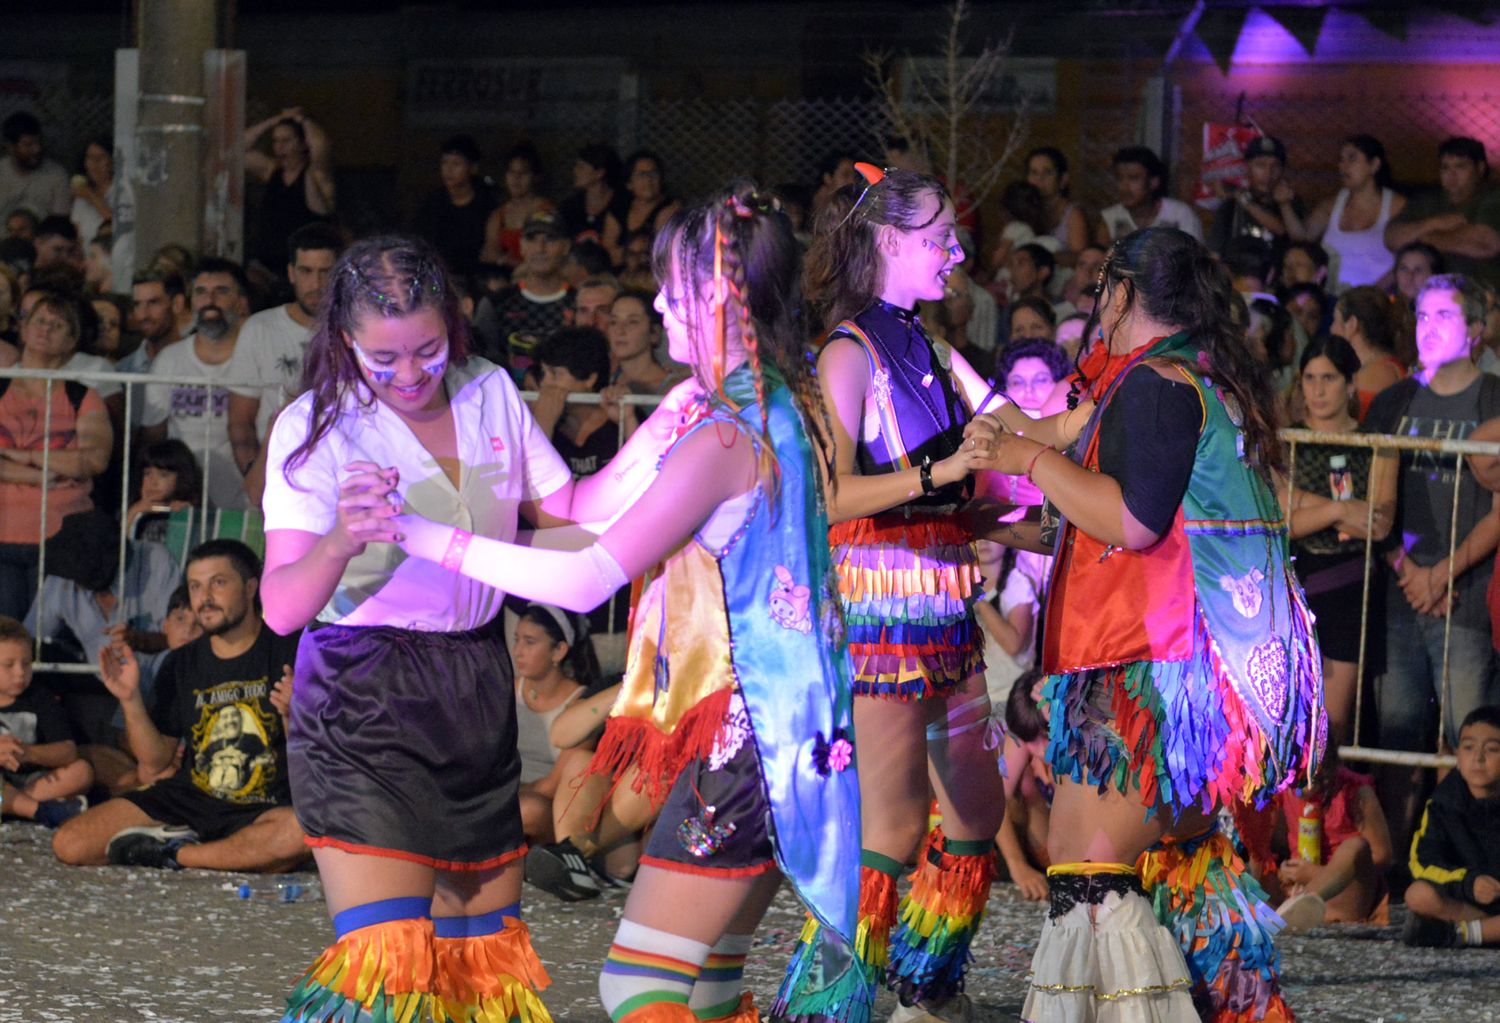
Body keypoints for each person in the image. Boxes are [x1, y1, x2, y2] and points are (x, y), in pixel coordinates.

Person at [387, 187, 861, 1023]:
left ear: (720, 293)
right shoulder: (750, 404)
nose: (660, 304)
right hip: (784, 730)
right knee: (706, 984)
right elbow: (584, 501)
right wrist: (500, 404)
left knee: (636, 986)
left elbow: (588, 576)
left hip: (745, 737)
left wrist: (418, 535)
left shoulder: (723, 434)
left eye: (673, 286)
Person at [259, 232, 686, 1022]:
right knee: (390, 966)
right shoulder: (312, 426)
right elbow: (281, 605)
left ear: (452, 324)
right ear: (343, 340)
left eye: (426, 349)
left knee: (479, 969)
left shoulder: (488, 387)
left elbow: (572, 515)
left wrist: (669, 433)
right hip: (363, 693)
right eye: (383, 359)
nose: (411, 375)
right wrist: (340, 538)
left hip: (472, 683)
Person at [977, 226, 1320, 1020]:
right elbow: (1080, 472)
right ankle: (1246, 1006)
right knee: (1179, 859)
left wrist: (1022, 460)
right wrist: (995, 482)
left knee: (1088, 869)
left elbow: (1130, 521)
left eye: (1099, 287)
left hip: (1150, 672)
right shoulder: (1180, 378)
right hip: (1184, 668)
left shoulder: (1158, 384)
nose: (1092, 303)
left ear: (1123, 292)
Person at [779, 163, 1004, 1023]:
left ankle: (927, 979)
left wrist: (1000, 516)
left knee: (977, 805)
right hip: (880, 613)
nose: (956, 251)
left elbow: (999, 445)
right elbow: (834, 495)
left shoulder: (932, 345)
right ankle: (828, 1004)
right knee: (894, 824)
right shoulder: (848, 350)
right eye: (940, 236)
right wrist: (942, 469)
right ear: (885, 242)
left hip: (944, 604)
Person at [51, 539, 307, 873]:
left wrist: (295, 715)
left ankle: (175, 854)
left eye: (218, 582)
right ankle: (220, 853)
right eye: (196, 586)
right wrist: (129, 698)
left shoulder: (292, 649)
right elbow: (155, 761)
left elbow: (319, 761)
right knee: (70, 844)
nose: (205, 598)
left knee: (301, 833)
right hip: (193, 799)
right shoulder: (181, 662)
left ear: (249, 587)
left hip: (265, 805)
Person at [1366, 274, 1500, 757]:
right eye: (1423, 315)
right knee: (1396, 741)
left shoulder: (1495, 397)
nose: (1429, 326)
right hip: (1402, 594)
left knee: (1467, 747)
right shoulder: (1392, 401)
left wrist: (1441, 575)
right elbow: (1375, 503)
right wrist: (1410, 574)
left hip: (1467, 593)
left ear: (1475, 329)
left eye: (1445, 315)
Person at [1284, 336, 1390, 745]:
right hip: (1296, 579)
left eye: (1329, 378)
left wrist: (1306, 511)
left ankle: (1325, 806)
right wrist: (1339, 511)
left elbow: (1378, 523)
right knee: (1289, 713)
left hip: (1349, 584)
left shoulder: (1377, 444)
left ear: (1350, 385)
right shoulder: (1285, 440)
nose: (1318, 389)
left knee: (1333, 721)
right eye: (1309, 378)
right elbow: (1280, 515)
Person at [0, 294, 113, 621]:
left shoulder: (82, 396)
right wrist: (38, 474)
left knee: (44, 638)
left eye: (57, 324)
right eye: (39, 321)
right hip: (4, 534)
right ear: (22, 329)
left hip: (60, 538)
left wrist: (16, 455)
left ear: (72, 341)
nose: (45, 330)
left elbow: (92, 459)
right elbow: (73, 460)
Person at [225, 222, 343, 503]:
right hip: (276, 471)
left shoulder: (358, 328)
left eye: (325, 272)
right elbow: (240, 421)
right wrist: (255, 472)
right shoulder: (260, 329)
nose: (316, 284)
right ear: (291, 273)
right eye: (306, 271)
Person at [139, 258, 251, 510]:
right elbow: (153, 435)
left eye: (221, 291)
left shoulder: (259, 358)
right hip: (181, 500)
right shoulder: (169, 359)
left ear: (241, 302)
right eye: (201, 292)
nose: (210, 300)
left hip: (245, 499)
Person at [1261, 744, 1392, 932]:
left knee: (1355, 847)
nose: (1304, 787)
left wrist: (1315, 874)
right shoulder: (1284, 790)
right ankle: (1279, 910)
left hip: (1343, 894)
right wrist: (1284, 870)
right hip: (1295, 886)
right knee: (1253, 845)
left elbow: (1382, 855)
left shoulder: (1355, 791)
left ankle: (1296, 908)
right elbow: (1274, 842)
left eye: (1310, 776)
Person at [1402, 705, 1500, 948]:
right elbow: (1421, 861)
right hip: (1469, 899)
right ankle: (1486, 930)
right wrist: (1469, 883)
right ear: (1457, 755)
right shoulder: (1443, 801)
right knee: (1418, 895)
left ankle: (1459, 934)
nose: (1478, 758)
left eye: (1492, 749)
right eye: (1468, 748)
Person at [0, 616, 93, 828]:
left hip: (31, 783)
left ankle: (13, 805)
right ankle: (39, 811)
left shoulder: (39, 697)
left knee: (81, 771)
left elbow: (68, 751)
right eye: (8, 665)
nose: (20, 673)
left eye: (26, 663)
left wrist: (28, 753)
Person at [1283, 135, 1405, 292]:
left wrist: (1372, 293)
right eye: (1341, 160)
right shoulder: (1331, 205)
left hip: (1377, 301)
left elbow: (1406, 259)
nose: (1343, 166)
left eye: (1352, 159)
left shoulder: (1396, 206)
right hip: (1333, 301)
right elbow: (1303, 238)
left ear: (1374, 165)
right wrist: (1284, 204)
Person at [1386, 137, 1500, 290]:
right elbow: (1392, 238)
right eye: (1445, 168)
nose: (1451, 175)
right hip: (1433, 296)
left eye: (1460, 167)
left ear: (1480, 168)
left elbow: (1486, 243)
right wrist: (1434, 223)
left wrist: (1423, 238)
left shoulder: (1492, 196)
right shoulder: (1429, 200)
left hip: (1483, 296)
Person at [475, 211, 573, 381]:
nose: (540, 248)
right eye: (532, 239)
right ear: (521, 246)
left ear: (565, 246)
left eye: (550, 239)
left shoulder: (582, 303)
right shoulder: (496, 303)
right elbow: (481, 362)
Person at [244, 108, 335, 279]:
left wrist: (302, 119)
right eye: (276, 141)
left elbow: (321, 147)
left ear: (302, 144)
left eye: (286, 141)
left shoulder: (315, 175)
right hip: (268, 267)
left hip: (305, 267)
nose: (279, 147)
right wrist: (275, 120)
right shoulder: (272, 171)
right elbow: (238, 149)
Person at [531, 326, 617, 478]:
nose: (544, 383)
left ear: (590, 378)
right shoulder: (539, 421)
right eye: (544, 373)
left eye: (555, 374)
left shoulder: (621, 419)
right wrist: (543, 426)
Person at [996, 671, 1053, 903]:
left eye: (1047, 735)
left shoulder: (1081, 737)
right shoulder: (1022, 736)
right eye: (1032, 739)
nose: (1040, 749)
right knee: (1023, 781)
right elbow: (997, 801)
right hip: (1046, 848)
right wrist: (1017, 865)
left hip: (1086, 848)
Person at [1208, 135, 1298, 255]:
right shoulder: (1231, 207)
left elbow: (1287, 234)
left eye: (1275, 166)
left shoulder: (1291, 203)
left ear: (1282, 170)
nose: (1268, 173)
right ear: (1247, 168)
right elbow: (1214, 254)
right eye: (1260, 165)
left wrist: (1245, 201)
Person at [1097, 146, 1204, 244]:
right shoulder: (1111, 217)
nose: (1124, 187)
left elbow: (1196, 260)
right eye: (1119, 178)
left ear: (1154, 182)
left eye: (1134, 178)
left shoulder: (1179, 215)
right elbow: (1101, 260)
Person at [1333, 285, 1410, 419]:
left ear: (1351, 325)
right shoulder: (1391, 366)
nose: (1331, 329)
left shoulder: (1363, 379)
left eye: (1335, 321)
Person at [480, 143, 556, 269]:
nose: (516, 178)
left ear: (535, 177)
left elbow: (547, 255)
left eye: (523, 173)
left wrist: (509, 262)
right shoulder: (499, 214)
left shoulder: (545, 210)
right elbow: (489, 252)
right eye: (512, 172)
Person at [602, 152, 682, 266]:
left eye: (654, 173)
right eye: (641, 175)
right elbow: (608, 251)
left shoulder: (670, 209)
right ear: (629, 183)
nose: (649, 180)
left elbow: (660, 252)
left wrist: (625, 254)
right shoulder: (619, 209)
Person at [125, 438, 203, 542]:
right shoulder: (132, 510)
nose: (153, 482)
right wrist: (134, 512)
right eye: (147, 473)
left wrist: (180, 516)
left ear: (182, 478)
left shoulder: (188, 512)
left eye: (163, 475)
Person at [0, 112, 71, 221]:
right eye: (28, 145)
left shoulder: (56, 175)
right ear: (10, 147)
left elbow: (60, 222)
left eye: (38, 142)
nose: (36, 149)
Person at [1025, 146, 1088, 260]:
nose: (1039, 179)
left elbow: (1080, 258)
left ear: (1063, 179)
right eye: (1034, 172)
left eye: (1047, 172)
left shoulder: (1073, 215)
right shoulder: (1023, 210)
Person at [558, 144, 627, 247]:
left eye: (581, 167)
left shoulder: (622, 203)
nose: (575, 171)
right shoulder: (570, 206)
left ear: (599, 173)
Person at [70, 138, 113, 250]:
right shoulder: (82, 196)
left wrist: (90, 196)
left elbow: (116, 224)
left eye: (101, 157)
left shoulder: (123, 190)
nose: (94, 163)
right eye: (90, 157)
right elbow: (78, 235)